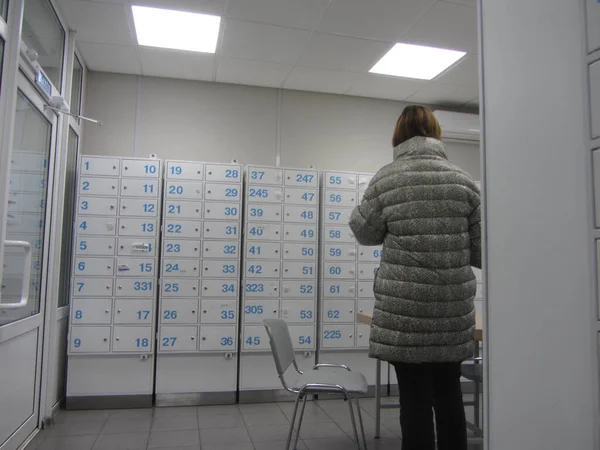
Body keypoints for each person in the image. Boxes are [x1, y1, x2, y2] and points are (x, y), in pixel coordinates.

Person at [349, 105, 481, 450]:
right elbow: (482, 251)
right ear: (436, 133)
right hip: (451, 314)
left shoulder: (387, 177)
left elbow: (365, 231)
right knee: (449, 396)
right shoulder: (463, 180)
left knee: (414, 403)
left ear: (399, 136)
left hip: (405, 316)